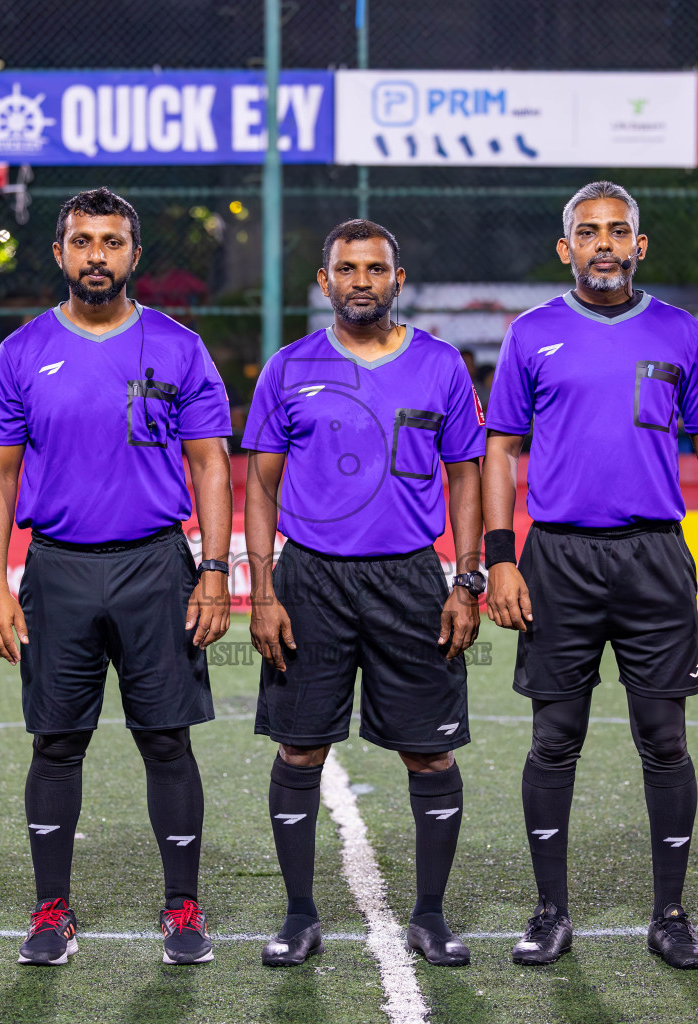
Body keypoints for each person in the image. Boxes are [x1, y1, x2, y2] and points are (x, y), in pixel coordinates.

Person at [484, 181, 698, 970]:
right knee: (553, 739)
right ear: (566, 250)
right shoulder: (531, 335)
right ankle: (550, 911)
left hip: (654, 557)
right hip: (558, 557)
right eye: (588, 232)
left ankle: (669, 915)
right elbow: (500, 449)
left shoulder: (680, 331)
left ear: (640, 246)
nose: (605, 243)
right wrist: (500, 555)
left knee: (665, 739)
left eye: (619, 231)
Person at [0, 188, 233, 968]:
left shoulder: (180, 346)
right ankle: (52, 911)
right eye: (82, 241)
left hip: (156, 566)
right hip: (58, 568)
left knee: (165, 739)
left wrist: (215, 572)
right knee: (57, 744)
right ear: (59, 254)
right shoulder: (21, 352)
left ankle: (182, 908)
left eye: (112, 241)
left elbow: (211, 465)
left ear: (133, 254)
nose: (97, 255)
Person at [242, 219, 485, 968]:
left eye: (374, 268)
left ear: (396, 279)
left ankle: (432, 916)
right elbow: (259, 483)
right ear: (325, 283)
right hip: (310, 577)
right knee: (301, 747)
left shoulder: (441, 366)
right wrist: (262, 592)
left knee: (430, 756)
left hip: (411, 578)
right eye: (345, 268)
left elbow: (467, 476)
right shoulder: (288, 367)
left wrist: (466, 579)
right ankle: (299, 915)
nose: (360, 281)